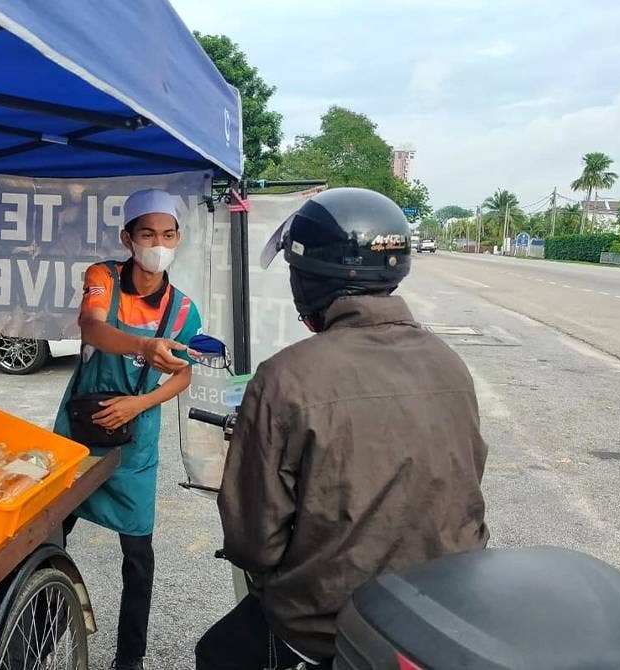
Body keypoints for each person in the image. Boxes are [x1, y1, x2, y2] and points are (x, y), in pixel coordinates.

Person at [195, 187, 489, 669]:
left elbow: (254, 542)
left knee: (215, 654)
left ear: (308, 281)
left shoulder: (285, 376)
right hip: (442, 608)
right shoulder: (448, 362)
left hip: (328, 621)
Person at [53, 188, 202, 670]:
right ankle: (38, 630)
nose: (158, 244)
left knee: (138, 554)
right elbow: (92, 328)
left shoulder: (184, 311)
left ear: (178, 238)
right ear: (128, 238)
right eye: (148, 234)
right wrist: (143, 345)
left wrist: (138, 403)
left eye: (168, 235)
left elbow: (183, 373)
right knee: (51, 533)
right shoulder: (103, 278)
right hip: (80, 429)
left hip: (134, 438)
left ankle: (130, 658)